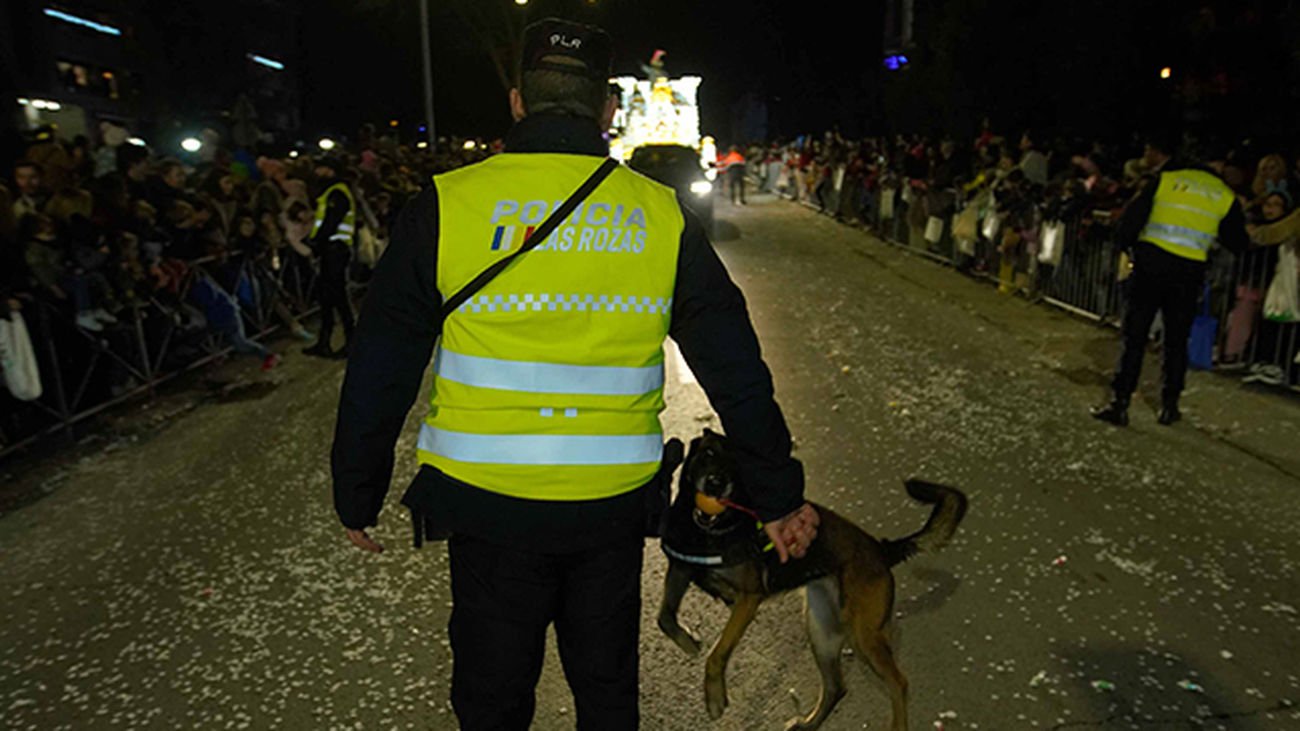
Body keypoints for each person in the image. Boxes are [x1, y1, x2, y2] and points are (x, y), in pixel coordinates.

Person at [331, 18, 817, 731]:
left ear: (518, 101)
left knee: (493, 699)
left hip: (485, 505)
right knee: (607, 692)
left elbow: (381, 361)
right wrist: (777, 495)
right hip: (608, 508)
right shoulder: (660, 217)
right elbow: (735, 369)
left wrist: (357, 488)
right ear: (608, 111)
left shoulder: (447, 205)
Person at [1091, 135, 1249, 426]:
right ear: (1219, 164)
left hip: (1150, 266)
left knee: (1134, 337)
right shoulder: (1223, 195)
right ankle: (1169, 406)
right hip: (1188, 274)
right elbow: (1238, 241)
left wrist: (1129, 249)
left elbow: (1131, 221)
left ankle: (1120, 402)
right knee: (1176, 342)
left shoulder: (1165, 180)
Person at [301, 157, 355, 358]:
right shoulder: (331, 192)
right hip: (331, 250)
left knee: (337, 297)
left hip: (335, 250)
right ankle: (325, 341)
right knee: (328, 297)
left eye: (321, 168)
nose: (317, 172)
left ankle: (351, 340)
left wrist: (317, 241)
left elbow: (330, 222)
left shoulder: (337, 193)